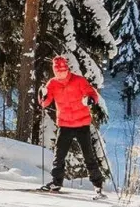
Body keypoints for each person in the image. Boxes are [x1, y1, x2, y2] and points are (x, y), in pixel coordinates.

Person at [38, 56, 107, 197]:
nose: (61, 74)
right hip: (64, 124)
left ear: (67, 69)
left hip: (82, 124)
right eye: (58, 71)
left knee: (89, 155)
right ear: (54, 71)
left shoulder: (79, 81)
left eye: (63, 70)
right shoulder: (52, 84)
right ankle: (56, 182)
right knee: (59, 155)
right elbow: (45, 103)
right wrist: (42, 95)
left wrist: (90, 100)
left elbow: (93, 94)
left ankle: (97, 185)